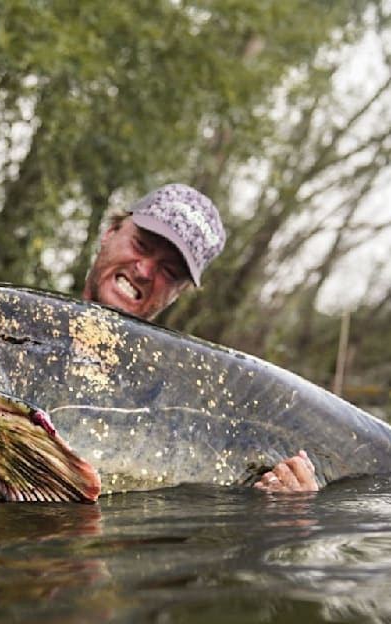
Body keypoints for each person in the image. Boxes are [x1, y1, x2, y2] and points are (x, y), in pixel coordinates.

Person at [82, 183, 318, 493]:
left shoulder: (190, 391)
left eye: (169, 270)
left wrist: (290, 504)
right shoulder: (13, 322)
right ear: (110, 233)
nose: (144, 270)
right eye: (141, 245)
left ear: (180, 292)